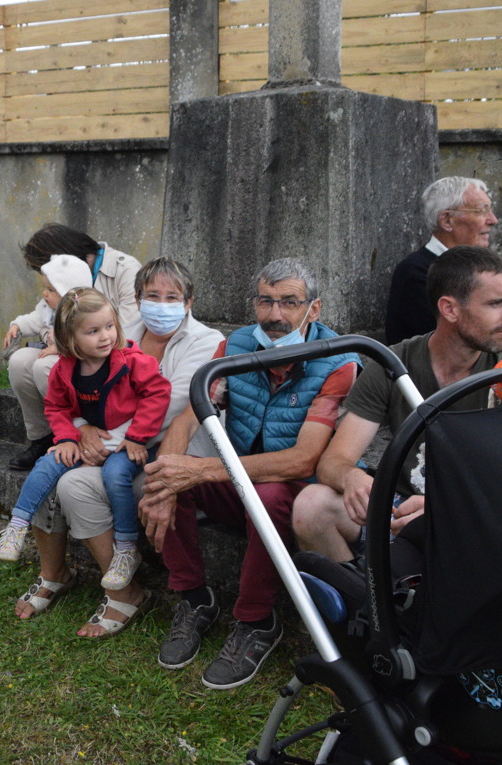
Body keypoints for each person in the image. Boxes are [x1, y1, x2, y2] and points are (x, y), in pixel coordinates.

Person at [139, 258, 360, 690]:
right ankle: (194, 598)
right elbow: (189, 416)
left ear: (313, 309)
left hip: (297, 491)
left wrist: (200, 469)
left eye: (289, 303)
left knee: (271, 493)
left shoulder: (338, 360)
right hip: (240, 479)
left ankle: (257, 620)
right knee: (175, 478)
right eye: (265, 301)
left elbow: (304, 460)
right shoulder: (237, 344)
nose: (275, 316)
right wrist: (167, 481)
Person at [11, 257, 221, 638]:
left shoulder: (207, 341)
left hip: (167, 449)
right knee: (53, 461)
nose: (161, 303)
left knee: (74, 483)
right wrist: (79, 429)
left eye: (172, 296)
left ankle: (123, 590)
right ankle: (54, 573)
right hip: (113, 442)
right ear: (137, 298)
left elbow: (172, 402)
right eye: (152, 295)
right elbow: (71, 383)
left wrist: (98, 439)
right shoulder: (116, 327)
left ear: (189, 301)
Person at [294, 246, 502, 563]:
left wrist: (440, 509)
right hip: (400, 508)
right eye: (497, 303)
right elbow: (334, 461)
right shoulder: (393, 363)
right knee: (311, 507)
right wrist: (352, 478)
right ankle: (367, 605)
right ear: (450, 309)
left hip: (472, 513)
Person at [0, 288, 171, 592]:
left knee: (116, 475)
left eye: (109, 326)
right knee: (48, 463)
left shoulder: (132, 361)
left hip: (128, 440)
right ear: (70, 338)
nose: (105, 337)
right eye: (93, 331)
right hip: (88, 437)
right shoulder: (64, 369)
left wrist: (138, 436)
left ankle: (126, 549)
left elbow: (158, 393)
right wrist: (65, 438)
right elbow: (56, 406)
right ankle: (17, 525)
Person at [7, 224, 142, 470]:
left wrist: (70, 341)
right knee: (20, 361)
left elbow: (129, 328)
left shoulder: (125, 269)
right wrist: (49, 334)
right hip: (72, 349)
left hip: (108, 359)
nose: (45, 285)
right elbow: (47, 316)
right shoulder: (64, 273)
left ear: (62, 257)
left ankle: (82, 430)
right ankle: (42, 437)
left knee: (45, 366)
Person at [384, 177, 497, 344]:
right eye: (481, 211)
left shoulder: (487, 264)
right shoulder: (416, 272)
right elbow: (459, 333)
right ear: (446, 220)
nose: (492, 220)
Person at [2, 254, 93, 357]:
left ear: (68, 294)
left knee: (42, 366)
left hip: (71, 357)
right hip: (49, 349)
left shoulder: (80, 314)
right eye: (44, 287)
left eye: (50, 290)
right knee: (19, 359)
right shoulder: (47, 308)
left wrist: (60, 346)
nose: (44, 293)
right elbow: (34, 320)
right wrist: (17, 326)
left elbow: (77, 337)